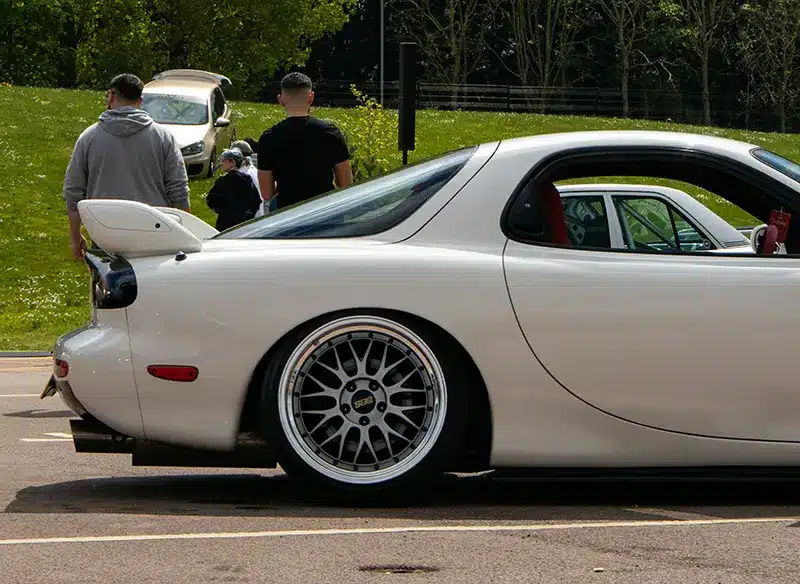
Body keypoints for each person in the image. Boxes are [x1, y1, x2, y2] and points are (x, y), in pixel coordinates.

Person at [63, 73, 190, 260]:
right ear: (140, 101)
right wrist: (183, 238)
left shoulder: (88, 138)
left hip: (105, 232)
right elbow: (179, 192)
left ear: (111, 94)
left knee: (106, 287)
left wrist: (75, 237)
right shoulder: (164, 138)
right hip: (155, 232)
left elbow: (73, 193)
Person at [257, 72, 353, 211]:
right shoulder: (331, 134)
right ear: (311, 97)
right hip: (326, 214)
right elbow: (345, 184)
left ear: (281, 100)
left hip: (288, 216)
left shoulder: (268, 138)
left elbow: (266, 194)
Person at [206, 148, 261, 231]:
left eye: (224, 161)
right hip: (246, 222)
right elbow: (256, 200)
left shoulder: (223, 181)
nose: (221, 163)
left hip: (226, 223)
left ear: (232, 162)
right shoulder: (247, 179)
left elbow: (211, 200)